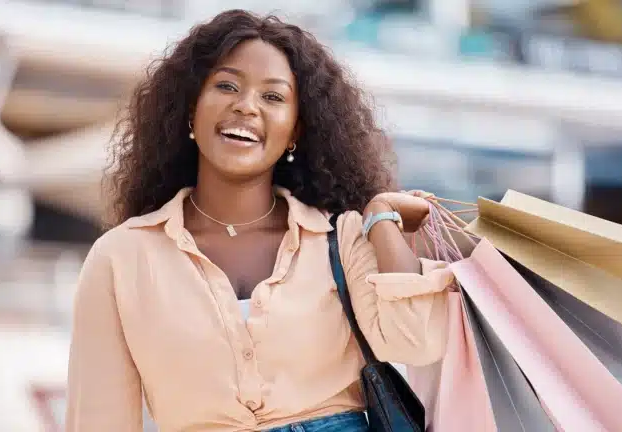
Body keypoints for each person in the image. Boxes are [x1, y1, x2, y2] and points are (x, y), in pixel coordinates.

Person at [65, 9, 454, 432]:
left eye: (273, 97)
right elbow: (98, 420)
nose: (246, 106)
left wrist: (380, 216)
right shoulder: (120, 257)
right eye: (227, 86)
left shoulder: (341, 237)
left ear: (295, 132)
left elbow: (416, 341)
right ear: (190, 111)